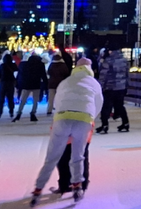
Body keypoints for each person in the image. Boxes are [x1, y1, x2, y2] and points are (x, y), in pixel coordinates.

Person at [29, 57, 103, 206]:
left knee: (52, 157)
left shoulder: (66, 81)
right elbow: (99, 103)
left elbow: (57, 102)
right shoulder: (94, 83)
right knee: (78, 155)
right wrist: (90, 118)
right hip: (83, 119)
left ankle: (38, 189)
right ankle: (77, 186)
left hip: (62, 118)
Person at [97, 50, 129, 133]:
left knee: (106, 106)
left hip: (110, 87)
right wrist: (126, 86)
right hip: (121, 86)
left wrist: (100, 86)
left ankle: (104, 125)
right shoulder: (124, 61)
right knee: (120, 106)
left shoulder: (108, 61)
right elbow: (127, 74)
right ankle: (125, 123)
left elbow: (103, 75)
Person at [15, 54, 48, 122]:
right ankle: (33, 113)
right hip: (36, 84)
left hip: (26, 84)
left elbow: (19, 75)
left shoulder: (23, 64)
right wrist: (46, 84)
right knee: (35, 100)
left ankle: (19, 113)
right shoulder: (40, 65)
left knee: (23, 100)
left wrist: (18, 84)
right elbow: (43, 75)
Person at [0, 53, 18, 119]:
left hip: (3, 83)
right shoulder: (13, 65)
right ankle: (11, 111)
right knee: (10, 98)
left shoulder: (2, 65)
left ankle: (0, 112)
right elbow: (17, 72)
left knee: (1, 98)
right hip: (11, 83)